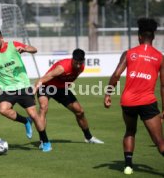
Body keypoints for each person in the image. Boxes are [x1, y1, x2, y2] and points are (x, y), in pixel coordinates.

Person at [104, 18, 164, 175]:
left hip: (128, 102)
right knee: (159, 142)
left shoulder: (129, 53)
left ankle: (128, 165)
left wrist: (108, 93)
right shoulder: (160, 57)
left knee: (130, 131)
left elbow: (116, 75)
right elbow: (163, 85)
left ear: (139, 36)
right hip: (148, 102)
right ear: (153, 37)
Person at [34, 49, 104, 149]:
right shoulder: (62, 67)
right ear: (72, 59)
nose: (79, 65)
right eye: (76, 63)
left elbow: (69, 79)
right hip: (46, 86)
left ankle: (88, 137)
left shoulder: (81, 67)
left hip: (61, 89)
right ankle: (43, 141)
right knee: (43, 108)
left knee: (80, 111)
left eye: (81, 63)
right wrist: (34, 90)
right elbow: (44, 78)